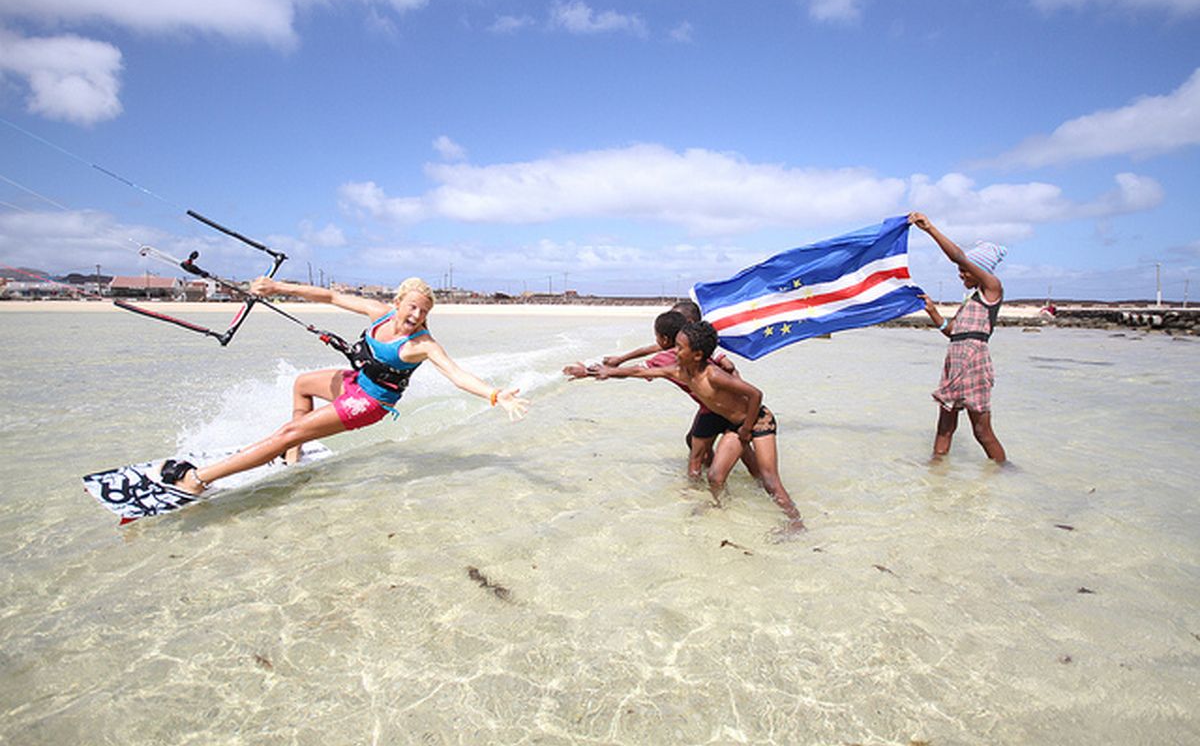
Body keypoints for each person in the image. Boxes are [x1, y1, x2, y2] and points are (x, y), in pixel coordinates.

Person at [158, 276, 529, 495]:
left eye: (424, 312)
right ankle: (293, 455)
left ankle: (198, 480)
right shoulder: (378, 312)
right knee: (302, 384)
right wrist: (277, 287)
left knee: (288, 430)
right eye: (412, 308)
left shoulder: (421, 344)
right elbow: (331, 296)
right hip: (355, 382)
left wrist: (495, 395)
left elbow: (455, 373)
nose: (416, 316)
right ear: (398, 302)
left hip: (370, 402)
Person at [593, 320, 804, 530]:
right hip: (736, 425)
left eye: (680, 348)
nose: (675, 351)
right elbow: (639, 372)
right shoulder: (679, 371)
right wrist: (607, 372)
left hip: (758, 420)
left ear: (697, 355)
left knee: (769, 479)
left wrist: (747, 429)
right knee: (714, 476)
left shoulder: (712, 375)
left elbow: (755, 394)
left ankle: (795, 523)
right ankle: (722, 508)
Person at [562, 308, 758, 478]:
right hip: (725, 405)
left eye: (657, 336)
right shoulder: (697, 349)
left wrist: (591, 371)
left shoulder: (670, 358)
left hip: (713, 408)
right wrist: (619, 360)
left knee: (700, 453)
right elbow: (649, 351)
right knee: (723, 446)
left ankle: (702, 486)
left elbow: (637, 370)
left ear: (666, 339)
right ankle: (742, 477)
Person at [908, 211, 1007, 462]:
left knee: (982, 431)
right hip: (954, 364)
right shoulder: (970, 299)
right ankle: (936, 474)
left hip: (974, 364)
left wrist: (930, 229)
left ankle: (1005, 470)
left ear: (980, 271)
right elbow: (952, 331)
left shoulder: (992, 289)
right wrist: (932, 311)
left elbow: (958, 256)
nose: (960, 273)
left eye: (965, 270)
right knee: (944, 427)